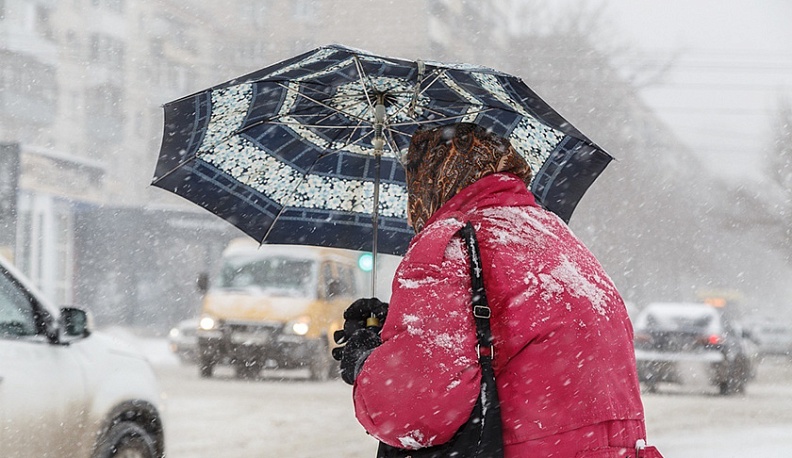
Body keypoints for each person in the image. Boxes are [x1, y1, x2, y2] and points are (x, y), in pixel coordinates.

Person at [334, 123, 662, 457]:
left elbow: (411, 415)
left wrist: (365, 361)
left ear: (431, 180)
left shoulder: (451, 244)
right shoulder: (556, 237)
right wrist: (403, 339)